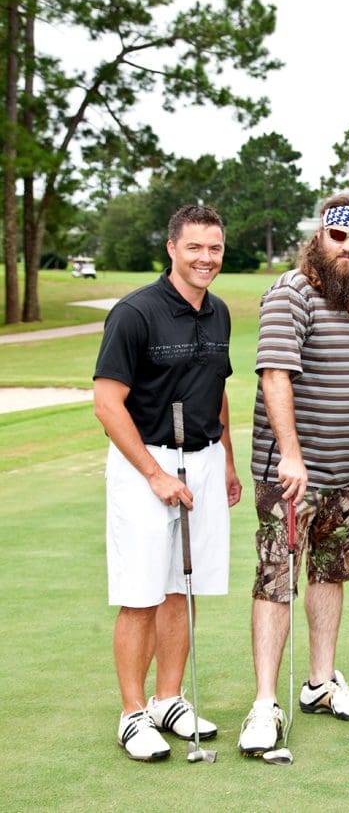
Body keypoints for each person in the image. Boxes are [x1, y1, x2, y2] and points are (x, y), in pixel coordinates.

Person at [237, 189, 349, 756]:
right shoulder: (291, 293)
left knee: (331, 573)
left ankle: (321, 683)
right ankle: (263, 703)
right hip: (292, 475)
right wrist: (291, 454)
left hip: (346, 471)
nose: (348, 247)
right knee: (277, 578)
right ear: (319, 237)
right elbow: (275, 375)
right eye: (338, 236)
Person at [93, 204, 241, 761]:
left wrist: (226, 462)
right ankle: (132, 715)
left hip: (203, 459)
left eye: (215, 248)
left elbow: (217, 391)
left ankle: (168, 698)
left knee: (183, 588)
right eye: (195, 247)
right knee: (141, 594)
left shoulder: (219, 312)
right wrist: (154, 475)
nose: (206, 258)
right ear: (172, 248)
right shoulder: (135, 313)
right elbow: (107, 404)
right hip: (147, 464)